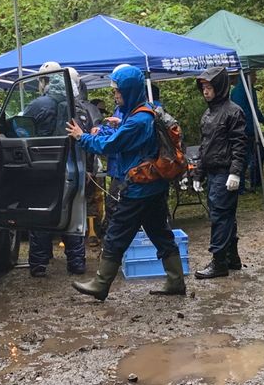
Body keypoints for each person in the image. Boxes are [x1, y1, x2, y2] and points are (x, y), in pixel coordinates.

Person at [67, 65, 186, 300]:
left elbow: (111, 145)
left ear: (129, 90)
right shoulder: (144, 111)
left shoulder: (138, 120)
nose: (115, 96)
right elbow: (124, 136)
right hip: (153, 187)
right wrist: (111, 127)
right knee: (161, 233)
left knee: (115, 234)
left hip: (138, 188)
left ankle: (100, 284)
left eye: (118, 91)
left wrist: (82, 137)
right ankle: (176, 281)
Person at [28, 67, 90, 278]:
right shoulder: (81, 108)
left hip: (45, 168)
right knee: (74, 216)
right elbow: (89, 139)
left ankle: (39, 264)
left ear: (45, 81)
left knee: (41, 214)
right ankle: (76, 263)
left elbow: (19, 129)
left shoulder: (38, 105)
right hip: (76, 169)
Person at [192, 68, 248, 279]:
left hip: (225, 172)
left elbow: (240, 145)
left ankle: (218, 262)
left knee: (220, 216)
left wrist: (235, 172)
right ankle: (231, 258)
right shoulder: (207, 114)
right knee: (224, 216)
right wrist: (198, 173)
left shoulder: (233, 112)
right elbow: (205, 147)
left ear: (220, 87)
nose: (206, 91)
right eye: (204, 87)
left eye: (210, 87)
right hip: (213, 171)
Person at [230, 72, 264, 193]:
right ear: (247, 76)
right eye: (254, 75)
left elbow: (254, 109)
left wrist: (263, 120)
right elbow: (242, 113)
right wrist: (248, 129)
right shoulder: (238, 92)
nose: (256, 77)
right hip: (244, 131)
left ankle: (256, 181)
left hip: (253, 129)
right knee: (244, 158)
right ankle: (240, 187)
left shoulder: (251, 90)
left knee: (260, 154)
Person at [22, 61, 68, 136]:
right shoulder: (71, 100)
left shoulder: (38, 104)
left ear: (42, 81)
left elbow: (21, 128)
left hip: (42, 146)